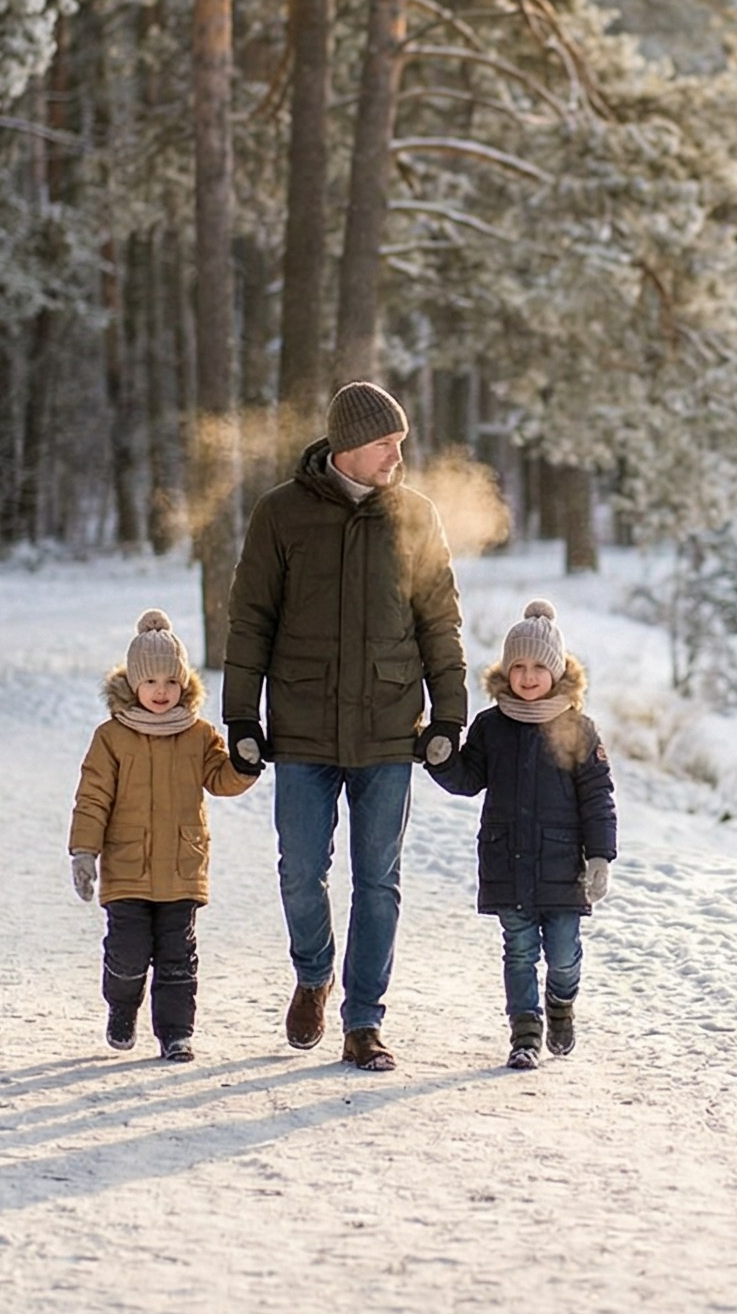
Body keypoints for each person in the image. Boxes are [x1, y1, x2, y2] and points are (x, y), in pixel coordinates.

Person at [223, 381, 467, 1071]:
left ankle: (364, 1021)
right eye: (387, 443)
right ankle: (313, 972)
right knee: (300, 871)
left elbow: (440, 622)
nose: (398, 455)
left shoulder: (415, 516)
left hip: (389, 725)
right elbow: (250, 622)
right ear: (349, 445)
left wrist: (449, 711)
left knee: (377, 880)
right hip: (301, 725)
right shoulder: (281, 514)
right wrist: (241, 713)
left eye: (400, 443)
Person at [427, 599, 617, 1069]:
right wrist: (439, 757)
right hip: (507, 861)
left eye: (538, 666)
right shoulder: (492, 727)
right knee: (519, 952)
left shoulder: (579, 730)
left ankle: (560, 1002)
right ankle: (525, 1034)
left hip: (561, 867)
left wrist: (600, 857)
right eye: (518, 667)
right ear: (505, 671)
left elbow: (598, 798)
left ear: (556, 672)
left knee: (563, 954)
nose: (528, 676)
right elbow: (469, 779)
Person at [68, 609, 259, 1063]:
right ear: (133, 685)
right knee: (129, 953)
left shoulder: (198, 735)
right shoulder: (111, 738)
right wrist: (83, 852)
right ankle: (122, 1007)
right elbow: (92, 798)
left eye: (170, 682)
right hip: (128, 869)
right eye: (151, 682)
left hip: (181, 867)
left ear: (184, 684)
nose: (161, 692)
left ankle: (176, 1033)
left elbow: (221, 778)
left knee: (177, 957)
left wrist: (246, 763)